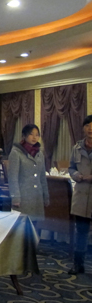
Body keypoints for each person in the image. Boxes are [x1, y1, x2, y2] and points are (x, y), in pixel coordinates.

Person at [7, 124, 49, 223]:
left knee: (34, 226)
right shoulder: (16, 153)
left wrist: (45, 196)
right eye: (31, 134)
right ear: (24, 136)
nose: (34, 137)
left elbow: (42, 177)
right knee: (22, 226)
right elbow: (13, 177)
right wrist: (15, 197)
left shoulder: (40, 154)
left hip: (37, 197)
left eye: (37, 135)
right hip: (23, 196)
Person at [67, 114, 92, 275]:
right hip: (81, 194)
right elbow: (71, 167)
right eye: (88, 125)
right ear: (83, 128)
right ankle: (78, 264)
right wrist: (76, 175)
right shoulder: (76, 148)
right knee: (81, 231)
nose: (91, 129)